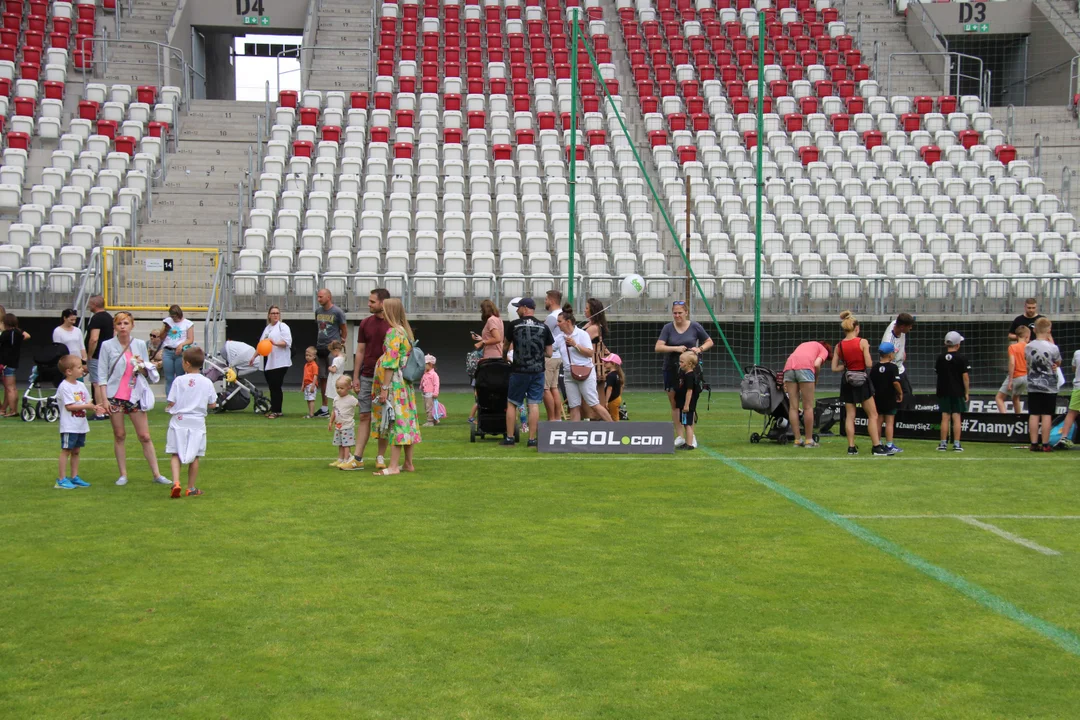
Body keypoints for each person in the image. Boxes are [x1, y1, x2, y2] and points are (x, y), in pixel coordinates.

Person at [98, 312, 170, 486]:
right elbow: (101, 373)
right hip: (115, 395)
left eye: (125, 323)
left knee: (144, 435)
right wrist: (104, 399)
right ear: (114, 327)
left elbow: (147, 370)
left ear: (132, 325)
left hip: (134, 394)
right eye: (119, 324)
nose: (122, 327)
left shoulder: (138, 344)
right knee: (119, 434)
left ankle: (156, 474)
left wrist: (141, 365)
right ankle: (123, 474)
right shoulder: (107, 345)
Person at [370, 298, 422, 475]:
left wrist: (384, 388)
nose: (381, 313)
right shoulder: (405, 332)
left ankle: (393, 466)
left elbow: (390, 363)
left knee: (396, 422)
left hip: (395, 385)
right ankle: (408, 463)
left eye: (384, 310)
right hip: (404, 385)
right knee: (406, 421)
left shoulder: (393, 332)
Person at [655, 301, 713, 445]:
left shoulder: (695, 326)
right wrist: (675, 348)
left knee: (689, 403)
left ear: (686, 312)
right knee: (675, 403)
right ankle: (680, 435)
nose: (677, 315)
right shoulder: (667, 328)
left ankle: (690, 435)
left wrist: (699, 349)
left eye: (680, 312)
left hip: (689, 371)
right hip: (671, 369)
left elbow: (709, 341)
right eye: (675, 313)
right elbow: (658, 347)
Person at [832, 311, 888, 456]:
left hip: (847, 380)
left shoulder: (839, 346)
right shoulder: (862, 342)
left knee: (850, 415)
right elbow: (869, 363)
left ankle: (851, 447)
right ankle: (876, 446)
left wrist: (846, 366)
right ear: (856, 328)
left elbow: (834, 368)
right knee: (873, 415)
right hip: (862, 380)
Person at [165, 347, 218, 498]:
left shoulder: (179, 380)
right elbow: (213, 403)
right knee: (195, 455)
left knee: (176, 452)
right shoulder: (207, 382)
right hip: (197, 420)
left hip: (179, 419)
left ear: (187, 363)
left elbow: (171, 400)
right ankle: (191, 487)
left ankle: (176, 482)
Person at [503, 297, 554, 447]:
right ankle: (532, 440)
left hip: (519, 370)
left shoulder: (514, 325)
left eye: (518, 307)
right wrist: (538, 353)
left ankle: (510, 438)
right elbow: (549, 353)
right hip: (538, 371)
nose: (517, 310)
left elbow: (505, 345)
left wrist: (504, 357)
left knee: (512, 403)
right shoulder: (543, 327)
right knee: (533, 404)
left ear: (525, 308)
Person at [351, 288, 391, 470]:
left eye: (372, 301)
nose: (369, 304)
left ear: (382, 303)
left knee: (383, 418)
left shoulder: (393, 325)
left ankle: (380, 457)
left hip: (385, 379)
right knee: (364, 415)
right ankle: (357, 457)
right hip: (366, 376)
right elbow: (360, 351)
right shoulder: (365, 323)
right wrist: (355, 376)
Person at [55, 355, 104, 489]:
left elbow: (87, 401)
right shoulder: (64, 386)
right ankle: (61, 479)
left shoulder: (81, 385)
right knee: (66, 450)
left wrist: (95, 407)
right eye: (78, 367)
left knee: (76, 451)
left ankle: (74, 476)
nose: (82, 369)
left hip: (80, 425)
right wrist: (87, 406)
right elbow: (69, 406)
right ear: (69, 371)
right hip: (69, 426)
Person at [555, 308, 612, 422]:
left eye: (559, 321)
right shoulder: (559, 338)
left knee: (594, 404)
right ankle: (573, 435)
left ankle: (615, 427)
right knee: (574, 407)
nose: (557, 324)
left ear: (568, 322)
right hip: (569, 375)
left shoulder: (582, 334)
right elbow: (549, 351)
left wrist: (575, 345)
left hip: (585, 373)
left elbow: (590, 353)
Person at [782, 340, 832, 448]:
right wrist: (815, 379)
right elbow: (817, 364)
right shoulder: (824, 350)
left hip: (789, 367)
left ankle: (797, 440)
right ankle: (809, 440)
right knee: (808, 407)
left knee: (793, 407)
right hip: (805, 369)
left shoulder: (805, 344)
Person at [1025, 318, 1061, 453]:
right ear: (1049, 330)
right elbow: (1057, 363)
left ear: (1034, 330)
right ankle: (1045, 444)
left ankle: (1034, 443)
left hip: (1033, 383)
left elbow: (1027, 361)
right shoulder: (1053, 347)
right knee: (1047, 415)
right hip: (1049, 385)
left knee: (1034, 414)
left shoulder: (1028, 346)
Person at [468, 298, 504, 424]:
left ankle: (484, 417)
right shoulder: (498, 320)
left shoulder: (491, 320)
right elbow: (493, 337)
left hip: (491, 359)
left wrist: (482, 342)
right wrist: (481, 338)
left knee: (486, 389)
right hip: (496, 356)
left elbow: (497, 338)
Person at [935, 331, 971, 452]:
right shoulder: (962, 358)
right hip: (957, 391)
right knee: (956, 417)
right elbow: (965, 377)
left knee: (945, 417)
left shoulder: (940, 358)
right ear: (957, 344)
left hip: (943, 390)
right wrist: (966, 392)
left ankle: (943, 444)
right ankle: (956, 444)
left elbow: (938, 373)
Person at [314, 288, 347, 418]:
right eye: (318, 296)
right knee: (322, 377)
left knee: (335, 377)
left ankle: (339, 406)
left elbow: (344, 329)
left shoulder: (337, 312)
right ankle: (324, 407)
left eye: (321, 296)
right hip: (320, 346)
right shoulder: (318, 311)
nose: (318, 299)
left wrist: (341, 344)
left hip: (332, 349)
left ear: (328, 297)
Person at [258, 305, 292, 419]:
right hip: (269, 362)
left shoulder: (283, 326)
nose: (275, 315)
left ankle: (276, 411)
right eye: (273, 313)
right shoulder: (267, 328)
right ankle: (275, 409)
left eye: (277, 313)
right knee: (272, 386)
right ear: (269, 315)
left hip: (280, 361)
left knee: (276, 385)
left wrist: (275, 343)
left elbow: (287, 342)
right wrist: (254, 357)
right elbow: (261, 345)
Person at [871, 342, 904, 454]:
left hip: (877, 399)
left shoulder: (874, 367)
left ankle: (878, 442)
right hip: (890, 398)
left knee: (878, 420)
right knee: (889, 422)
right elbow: (896, 383)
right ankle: (889, 444)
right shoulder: (893, 367)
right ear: (890, 355)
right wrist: (900, 393)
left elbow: (871, 383)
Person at [155, 305, 194, 394]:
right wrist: (165, 329)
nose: (174, 319)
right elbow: (161, 337)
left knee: (180, 376)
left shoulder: (188, 323)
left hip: (180, 352)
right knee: (169, 378)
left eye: (176, 317)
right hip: (168, 351)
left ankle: (180, 399)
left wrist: (181, 345)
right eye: (172, 317)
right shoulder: (167, 321)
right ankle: (170, 401)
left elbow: (190, 339)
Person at [84, 295, 113, 418]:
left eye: (90, 304)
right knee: (104, 382)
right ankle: (106, 408)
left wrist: (89, 355)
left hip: (97, 355)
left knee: (97, 383)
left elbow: (94, 339)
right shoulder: (108, 317)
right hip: (107, 355)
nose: (89, 306)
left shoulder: (96, 318)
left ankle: (100, 411)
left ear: (95, 305)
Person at [881, 312, 915, 408]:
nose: (910, 328)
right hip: (894, 370)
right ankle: (900, 419)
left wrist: (902, 352)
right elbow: (887, 361)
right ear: (902, 327)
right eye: (909, 326)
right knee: (903, 395)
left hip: (900, 367)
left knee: (908, 392)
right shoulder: (890, 342)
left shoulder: (896, 323)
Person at [994, 325, 1029, 416]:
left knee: (999, 398)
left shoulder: (1013, 347)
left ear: (1016, 336)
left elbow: (1012, 363)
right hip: (1025, 377)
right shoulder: (1029, 347)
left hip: (1016, 376)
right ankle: (1018, 418)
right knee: (1015, 398)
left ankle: (1006, 420)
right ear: (1027, 336)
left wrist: (1010, 380)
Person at [542, 289, 564, 421]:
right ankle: (557, 418)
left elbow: (543, 335)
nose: (545, 302)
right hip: (558, 356)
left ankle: (552, 419)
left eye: (546, 299)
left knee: (545, 389)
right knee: (554, 388)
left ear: (551, 301)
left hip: (549, 356)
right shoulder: (562, 315)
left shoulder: (552, 317)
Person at [330, 376, 361, 470]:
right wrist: (331, 422)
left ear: (349, 388)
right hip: (338, 426)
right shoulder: (336, 399)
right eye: (337, 388)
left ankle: (346, 459)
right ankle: (340, 459)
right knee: (340, 444)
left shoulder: (351, 399)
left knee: (346, 444)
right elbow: (334, 411)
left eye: (341, 388)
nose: (339, 390)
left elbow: (360, 404)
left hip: (347, 426)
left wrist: (359, 394)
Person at [675, 351, 702, 449]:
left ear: (689, 364)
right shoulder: (685, 374)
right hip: (684, 404)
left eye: (682, 362)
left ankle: (689, 444)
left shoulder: (690, 376)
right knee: (685, 423)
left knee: (687, 425)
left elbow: (689, 391)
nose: (679, 364)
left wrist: (686, 405)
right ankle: (687, 443)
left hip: (688, 405)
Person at [1054, 345, 1080, 449]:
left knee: (1071, 413)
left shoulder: (1077, 353)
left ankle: (1064, 437)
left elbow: (1074, 369)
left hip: (1078, 387)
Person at [0, 313, 23, 417]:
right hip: (14, 362)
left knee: (9, 388)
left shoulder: (6, 334)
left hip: (6, 363)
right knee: (13, 387)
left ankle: (13, 410)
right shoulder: (18, 333)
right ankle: (14, 408)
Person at [602, 353, 624, 421]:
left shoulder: (611, 376)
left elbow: (609, 388)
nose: (604, 363)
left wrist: (606, 401)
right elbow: (620, 387)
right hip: (617, 398)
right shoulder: (617, 374)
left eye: (606, 362)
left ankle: (616, 430)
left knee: (614, 418)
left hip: (612, 400)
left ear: (612, 363)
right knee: (614, 415)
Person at [421, 354, 441, 427]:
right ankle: (435, 419)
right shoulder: (425, 374)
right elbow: (423, 381)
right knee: (427, 406)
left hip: (431, 393)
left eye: (425, 364)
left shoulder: (434, 374)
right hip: (425, 393)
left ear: (430, 364)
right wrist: (421, 386)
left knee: (429, 407)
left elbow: (436, 384)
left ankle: (430, 421)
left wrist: (435, 392)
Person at [325, 340, 345, 408]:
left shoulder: (336, 359)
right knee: (339, 397)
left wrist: (329, 368)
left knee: (335, 397)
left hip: (335, 379)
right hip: (340, 377)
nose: (332, 354)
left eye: (332, 352)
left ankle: (336, 412)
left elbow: (334, 370)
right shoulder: (342, 358)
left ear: (336, 350)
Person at [301, 347, 319, 418]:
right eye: (306, 355)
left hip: (311, 384)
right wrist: (303, 385)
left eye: (310, 356)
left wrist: (313, 385)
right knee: (308, 399)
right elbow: (304, 375)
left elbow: (315, 376)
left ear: (314, 356)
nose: (307, 357)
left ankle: (311, 414)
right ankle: (310, 413)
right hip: (306, 384)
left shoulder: (314, 365)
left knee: (311, 399)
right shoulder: (306, 365)